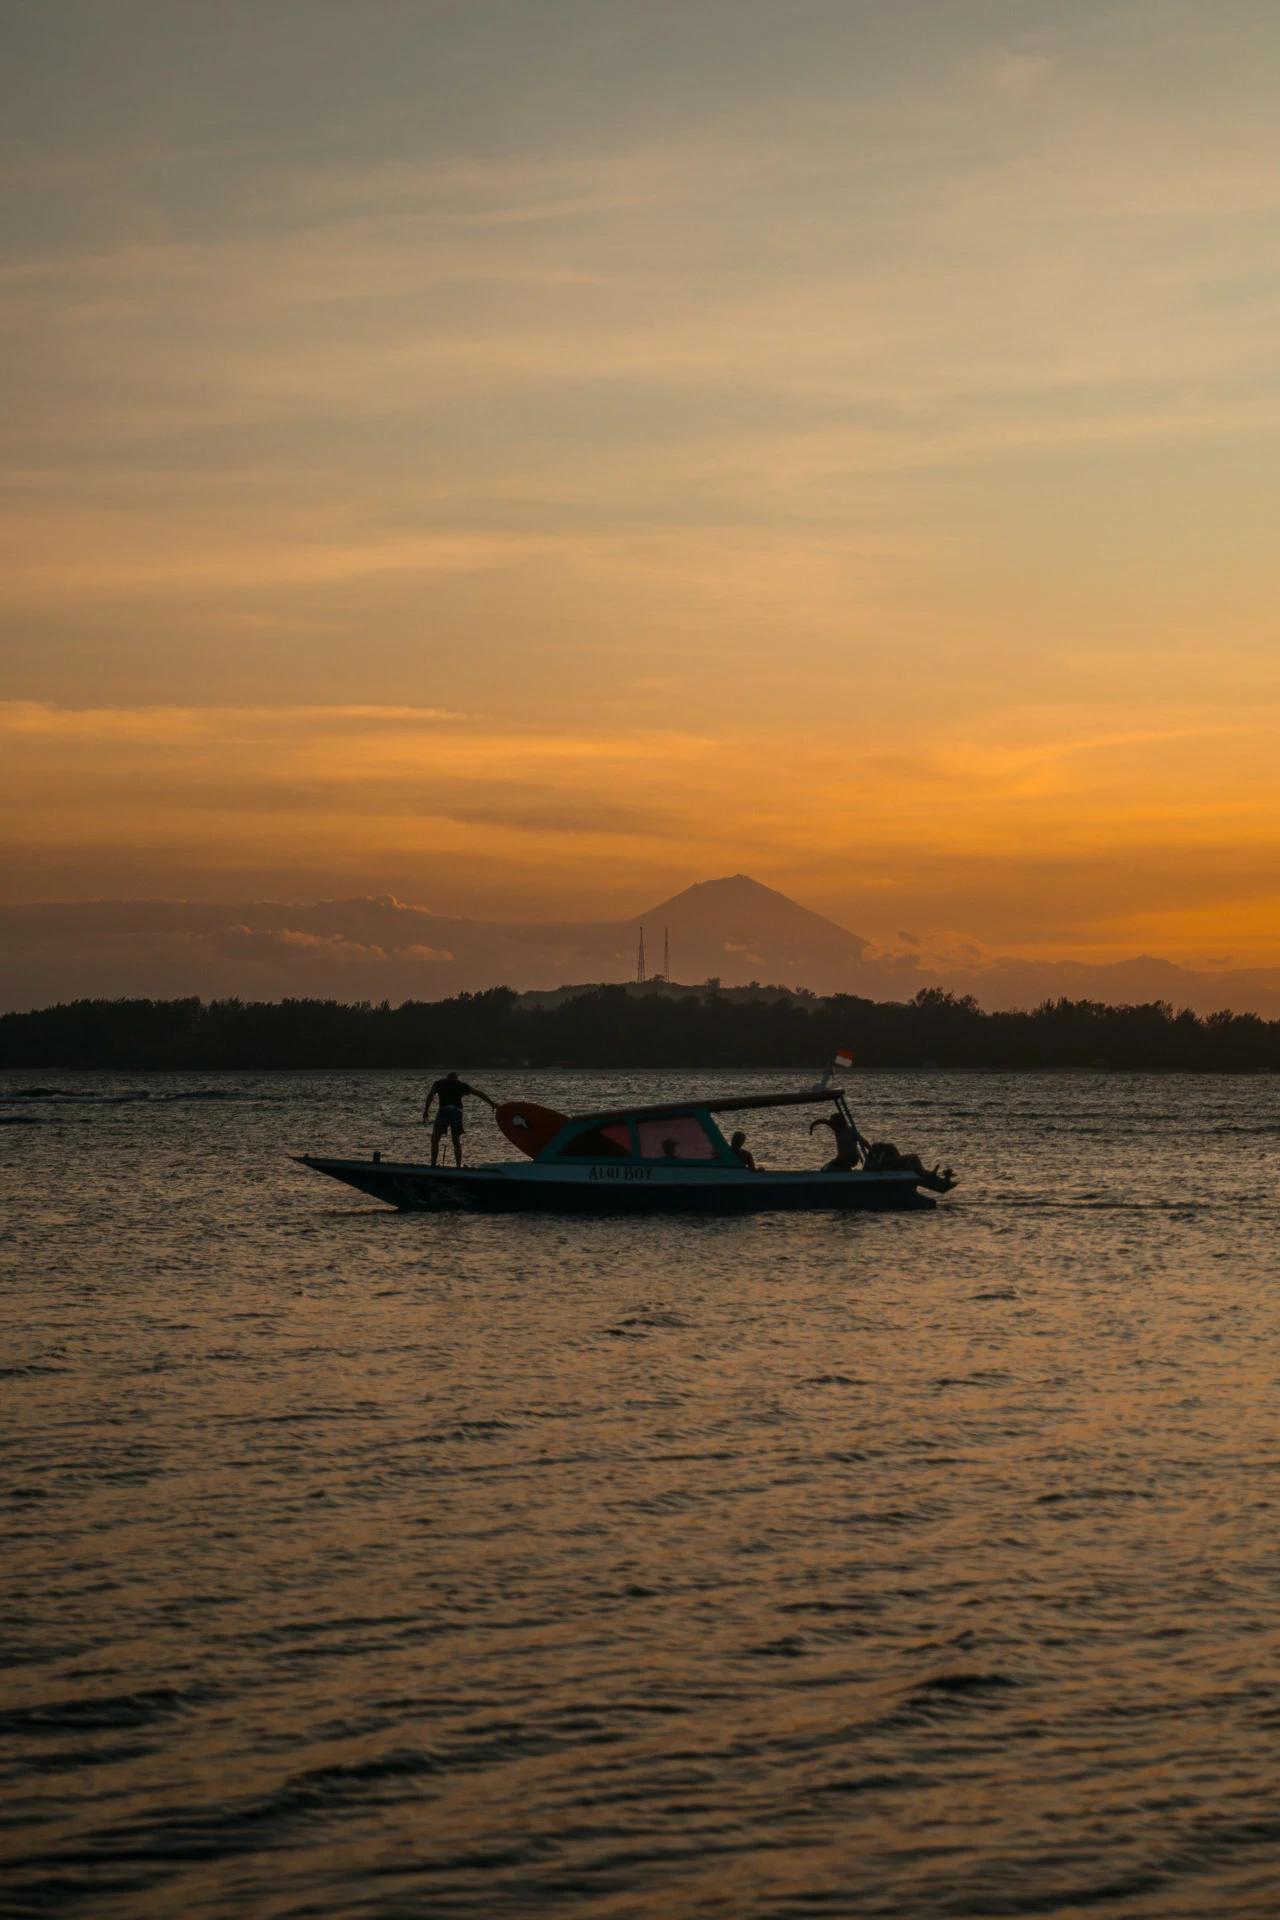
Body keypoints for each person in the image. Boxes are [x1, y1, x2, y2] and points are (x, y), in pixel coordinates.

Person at [423, 1070, 497, 1168]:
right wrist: (491, 1103)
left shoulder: (439, 1083)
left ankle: (433, 1165)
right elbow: (479, 1094)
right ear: (457, 1077)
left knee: (435, 1139)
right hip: (457, 1112)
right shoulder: (461, 1085)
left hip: (444, 1111)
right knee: (456, 1140)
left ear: (447, 1077)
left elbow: (430, 1096)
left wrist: (426, 1110)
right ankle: (458, 1165)